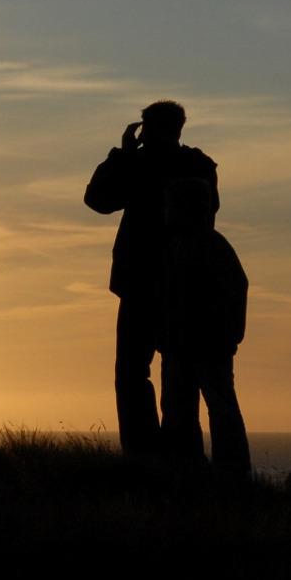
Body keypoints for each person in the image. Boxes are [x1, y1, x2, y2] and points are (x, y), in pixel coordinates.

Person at [83, 100, 218, 457]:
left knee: (133, 373)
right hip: (183, 283)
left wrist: (121, 155)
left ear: (146, 129)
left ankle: (143, 455)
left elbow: (97, 199)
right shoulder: (200, 165)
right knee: (179, 374)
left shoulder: (140, 164)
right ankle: (182, 455)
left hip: (143, 282)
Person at [157, 178, 250, 475]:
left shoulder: (209, 246)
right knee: (178, 410)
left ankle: (230, 473)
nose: (166, 212)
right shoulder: (176, 247)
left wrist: (230, 335)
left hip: (207, 345)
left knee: (218, 408)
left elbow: (236, 289)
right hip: (181, 346)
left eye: (170, 205)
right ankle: (188, 469)